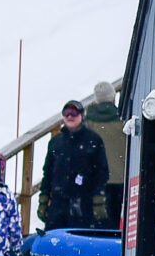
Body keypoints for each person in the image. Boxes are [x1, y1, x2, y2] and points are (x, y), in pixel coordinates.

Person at [40, 98, 109, 229]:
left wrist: (98, 199)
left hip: (83, 204)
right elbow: (47, 172)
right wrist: (43, 199)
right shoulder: (56, 142)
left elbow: (102, 172)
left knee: (80, 241)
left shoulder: (93, 140)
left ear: (82, 116)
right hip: (58, 204)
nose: (70, 116)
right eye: (66, 113)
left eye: (74, 112)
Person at [83, 83, 130, 226]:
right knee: (117, 221)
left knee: (97, 221)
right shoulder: (123, 119)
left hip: (96, 180)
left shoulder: (88, 122)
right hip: (120, 177)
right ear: (113, 97)